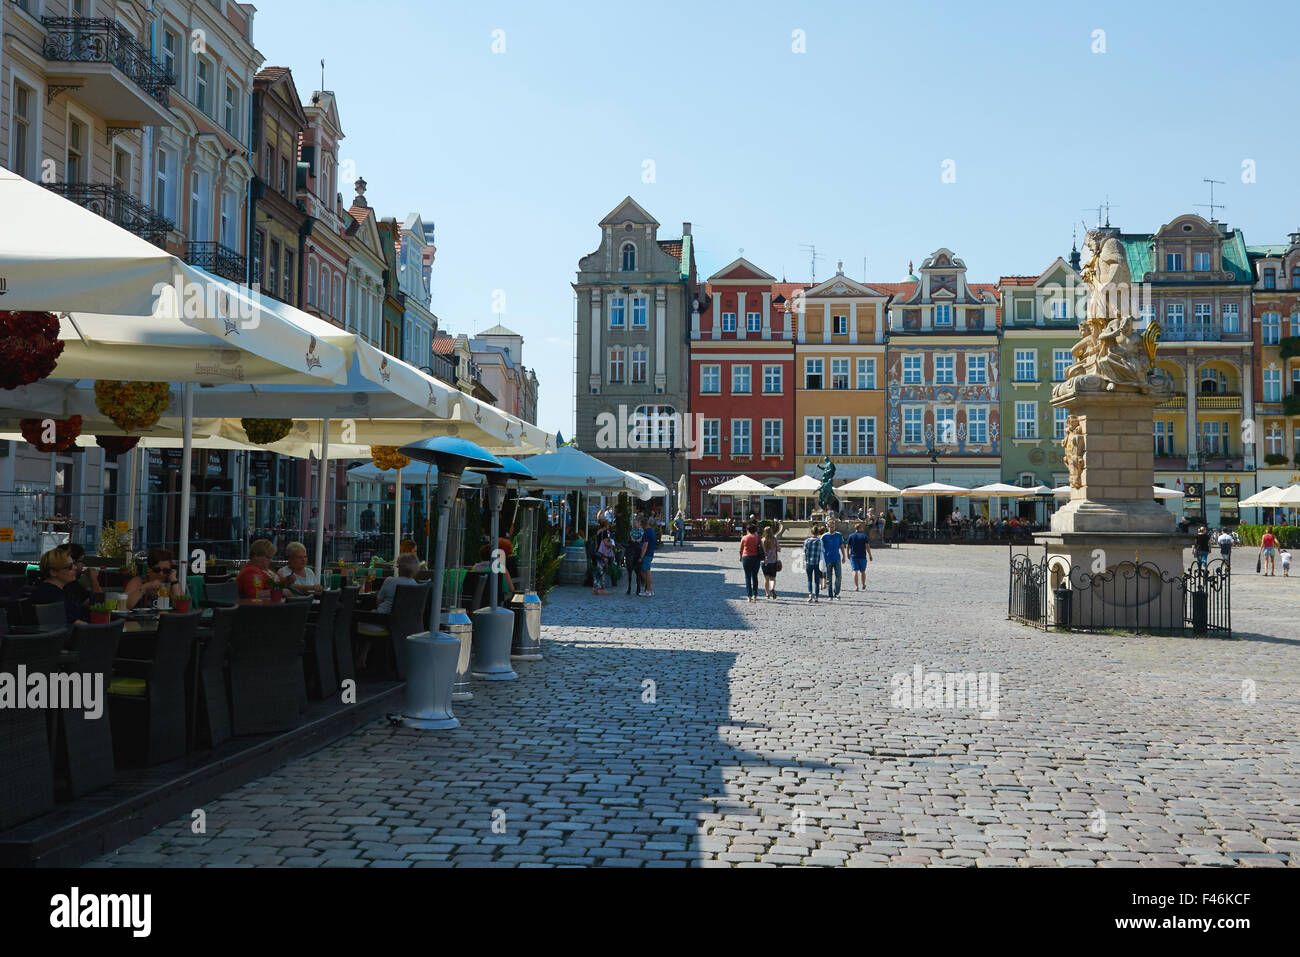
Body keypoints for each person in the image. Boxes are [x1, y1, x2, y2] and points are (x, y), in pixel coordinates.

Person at [30, 547, 87, 626]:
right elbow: (70, 623)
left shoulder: (63, 589)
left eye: (73, 564)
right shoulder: (49, 595)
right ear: (53, 572)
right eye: (70, 567)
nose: (75, 567)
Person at [820, 521, 846, 600]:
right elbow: (820, 548)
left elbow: (842, 546)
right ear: (827, 527)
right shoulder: (824, 536)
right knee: (828, 578)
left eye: (833, 526)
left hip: (837, 558)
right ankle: (830, 595)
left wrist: (844, 556)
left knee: (839, 577)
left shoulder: (839, 535)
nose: (832, 528)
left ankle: (837, 593)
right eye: (830, 527)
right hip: (827, 559)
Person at [846, 522, 873, 591]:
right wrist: (870, 555)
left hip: (853, 556)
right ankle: (863, 585)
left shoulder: (851, 536)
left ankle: (856, 586)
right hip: (862, 556)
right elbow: (867, 546)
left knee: (855, 571)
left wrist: (847, 554)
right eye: (862, 527)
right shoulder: (864, 536)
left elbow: (847, 546)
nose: (863, 529)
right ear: (859, 528)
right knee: (863, 571)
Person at [739, 522, 762, 602]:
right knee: (755, 576)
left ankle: (749, 596)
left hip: (746, 558)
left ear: (748, 530)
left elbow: (741, 549)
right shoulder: (757, 538)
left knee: (747, 577)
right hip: (756, 558)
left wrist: (740, 557)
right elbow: (760, 549)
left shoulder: (744, 538)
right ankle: (755, 595)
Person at [760, 522, 783, 600]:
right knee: (772, 578)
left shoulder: (762, 540)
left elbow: (761, 551)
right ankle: (772, 588)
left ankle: (767, 594)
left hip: (764, 562)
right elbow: (779, 549)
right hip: (773, 561)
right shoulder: (774, 540)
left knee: (766, 578)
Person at [591, 518, 613, 595]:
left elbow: (597, 543)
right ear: (606, 524)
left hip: (597, 552)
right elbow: (606, 543)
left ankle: (595, 588)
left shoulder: (598, 532)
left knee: (597, 571)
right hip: (603, 554)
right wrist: (612, 545)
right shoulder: (605, 532)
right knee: (603, 571)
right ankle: (601, 589)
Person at [802, 525, 824, 603]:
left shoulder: (807, 541)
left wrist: (803, 562)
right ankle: (817, 597)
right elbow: (822, 551)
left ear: (811, 532)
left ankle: (810, 594)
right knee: (817, 581)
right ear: (818, 532)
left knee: (809, 580)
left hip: (809, 562)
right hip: (817, 563)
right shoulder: (820, 541)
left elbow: (804, 552)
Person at [638, 516, 657, 597]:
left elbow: (645, 545)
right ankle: (648, 589)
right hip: (650, 553)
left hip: (647, 554)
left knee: (646, 571)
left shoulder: (646, 532)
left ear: (643, 525)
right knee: (643, 570)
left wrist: (641, 556)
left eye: (641, 525)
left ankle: (649, 589)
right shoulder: (651, 530)